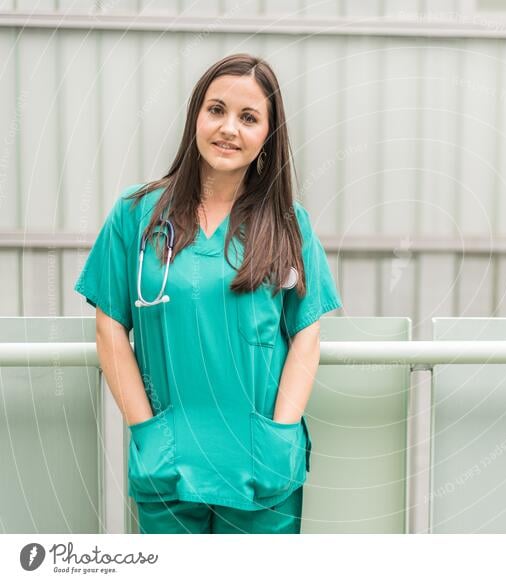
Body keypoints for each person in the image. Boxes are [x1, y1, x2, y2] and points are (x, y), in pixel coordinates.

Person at [74, 53, 342, 534]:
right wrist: (147, 433)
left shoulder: (288, 225)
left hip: (261, 465)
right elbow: (110, 326)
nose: (229, 129)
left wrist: (279, 436)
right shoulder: (136, 214)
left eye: (249, 117)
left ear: (267, 136)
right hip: (169, 463)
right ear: (195, 116)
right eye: (216, 110)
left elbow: (307, 335)